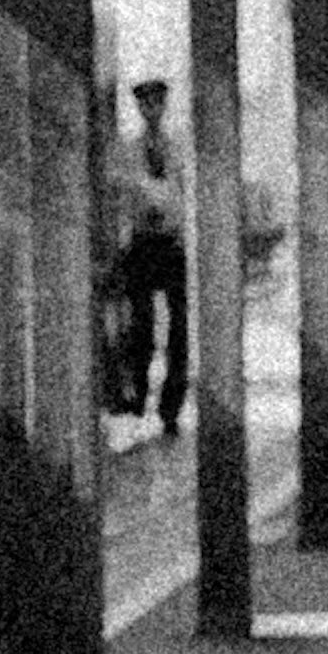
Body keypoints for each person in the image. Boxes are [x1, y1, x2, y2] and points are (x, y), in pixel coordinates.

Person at [102, 79, 191, 428]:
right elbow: (122, 191)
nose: (152, 110)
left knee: (179, 328)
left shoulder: (177, 146)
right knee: (142, 325)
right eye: (145, 104)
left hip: (170, 243)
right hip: (142, 242)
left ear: (165, 106)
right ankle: (137, 391)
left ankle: (171, 405)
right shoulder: (129, 150)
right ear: (139, 108)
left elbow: (180, 191)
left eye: (157, 103)